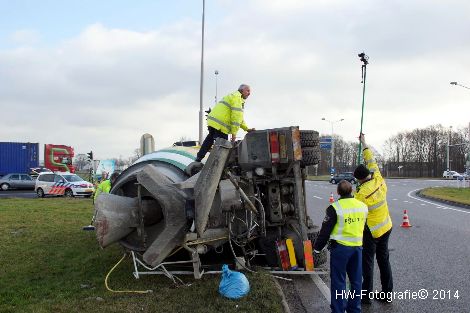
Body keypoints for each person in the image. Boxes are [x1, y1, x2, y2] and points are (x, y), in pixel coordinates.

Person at [314, 180, 368, 313]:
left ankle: (338, 310)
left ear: (338, 192)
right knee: (356, 281)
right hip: (357, 248)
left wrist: (317, 248)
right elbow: (364, 227)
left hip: (341, 249)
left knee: (339, 281)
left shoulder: (335, 208)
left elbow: (325, 231)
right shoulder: (362, 206)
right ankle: (354, 309)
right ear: (352, 191)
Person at [353, 133, 393, 304]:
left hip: (372, 232)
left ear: (359, 179)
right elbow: (371, 159)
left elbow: (354, 210)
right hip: (386, 226)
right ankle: (387, 293)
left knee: (367, 263)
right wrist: (364, 143)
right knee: (383, 261)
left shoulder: (361, 194)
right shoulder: (378, 178)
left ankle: (366, 296)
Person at [195, 84, 255, 163]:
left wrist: (246, 128)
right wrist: (234, 134)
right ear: (242, 90)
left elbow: (239, 118)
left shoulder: (233, 96)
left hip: (213, 121)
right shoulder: (237, 98)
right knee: (223, 145)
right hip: (221, 124)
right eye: (247, 90)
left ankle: (199, 158)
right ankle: (216, 165)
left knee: (209, 139)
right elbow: (236, 118)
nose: (249, 93)